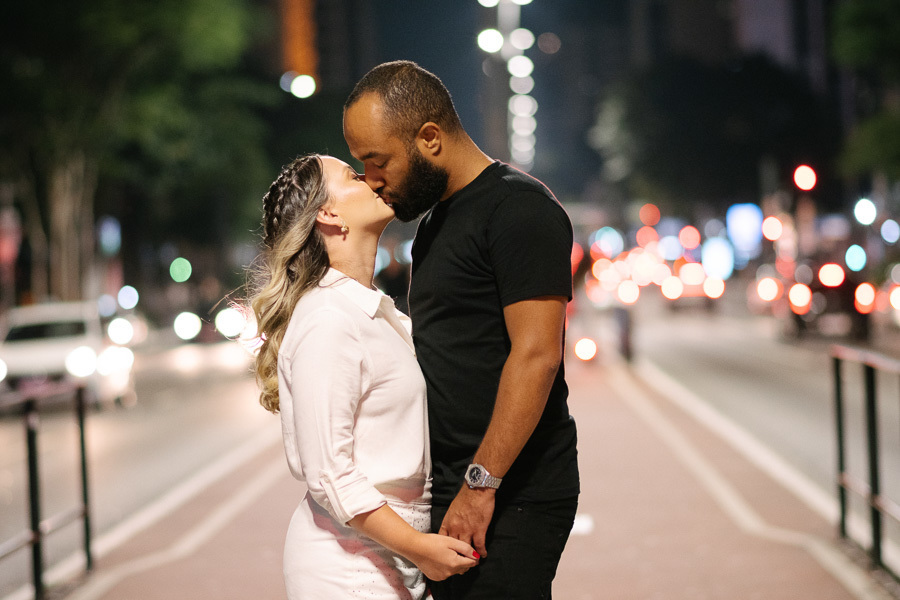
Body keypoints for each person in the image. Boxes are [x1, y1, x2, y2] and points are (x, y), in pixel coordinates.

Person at [343, 61, 580, 599]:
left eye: (377, 162)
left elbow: (537, 356)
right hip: (456, 483)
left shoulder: (519, 209)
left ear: (429, 138)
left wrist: (481, 484)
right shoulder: (433, 223)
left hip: (512, 487)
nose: (371, 180)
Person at [249, 153, 478, 599]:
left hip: (390, 549)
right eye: (354, 175)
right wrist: (419, 549)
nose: (373, 178)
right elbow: (331, 473)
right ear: (328, 214)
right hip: (349, 563)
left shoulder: (371, 310)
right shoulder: (327, 319)